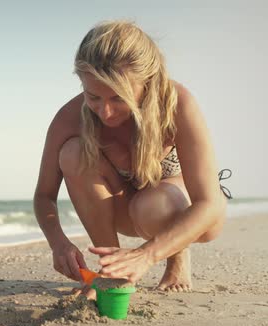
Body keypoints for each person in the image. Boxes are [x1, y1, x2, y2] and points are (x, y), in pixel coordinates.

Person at [33, 21, 229, 295]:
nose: (106, 111)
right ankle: (112, 271)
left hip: (182, 212)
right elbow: (44, 195)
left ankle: (177, 255)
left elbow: (209, 204)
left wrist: (147, 255)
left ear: (147, 82)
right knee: (73, 153)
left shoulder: (178, 104)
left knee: (153, 205)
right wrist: (58, 242)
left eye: (118, 98)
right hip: (125, 208)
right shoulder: (69, 117)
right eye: (93, 96)